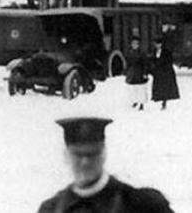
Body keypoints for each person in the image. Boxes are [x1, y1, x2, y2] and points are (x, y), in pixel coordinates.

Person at [38, 116, 174, 213]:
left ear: (104, 153)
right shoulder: (52, 208)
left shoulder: (141, 205)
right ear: (66, 155)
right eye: (77, 155)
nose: (85, 162)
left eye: (93, 154)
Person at [151, 37, 180, 110]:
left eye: (158, 44)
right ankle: (158, 98)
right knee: (159, 87)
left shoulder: (166, 51)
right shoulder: (155, 51)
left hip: (166, 72)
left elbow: (168, 61)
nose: (157, 45)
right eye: (156, 44)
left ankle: (164, 102)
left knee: (165, 88)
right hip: (158, 72)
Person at [124, 36, 149, 110]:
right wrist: (126, 72)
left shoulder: (142, 53)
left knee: (141, 88)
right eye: (133, 43)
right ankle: (135, 101)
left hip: (140, 72)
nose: (134, 45)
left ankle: (141, 104)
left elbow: (145, 64)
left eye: (136, 44)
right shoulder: (129, 52)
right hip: (132, 73)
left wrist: (145, 73)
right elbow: (128, 63)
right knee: (133, 88)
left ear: (138, 45)